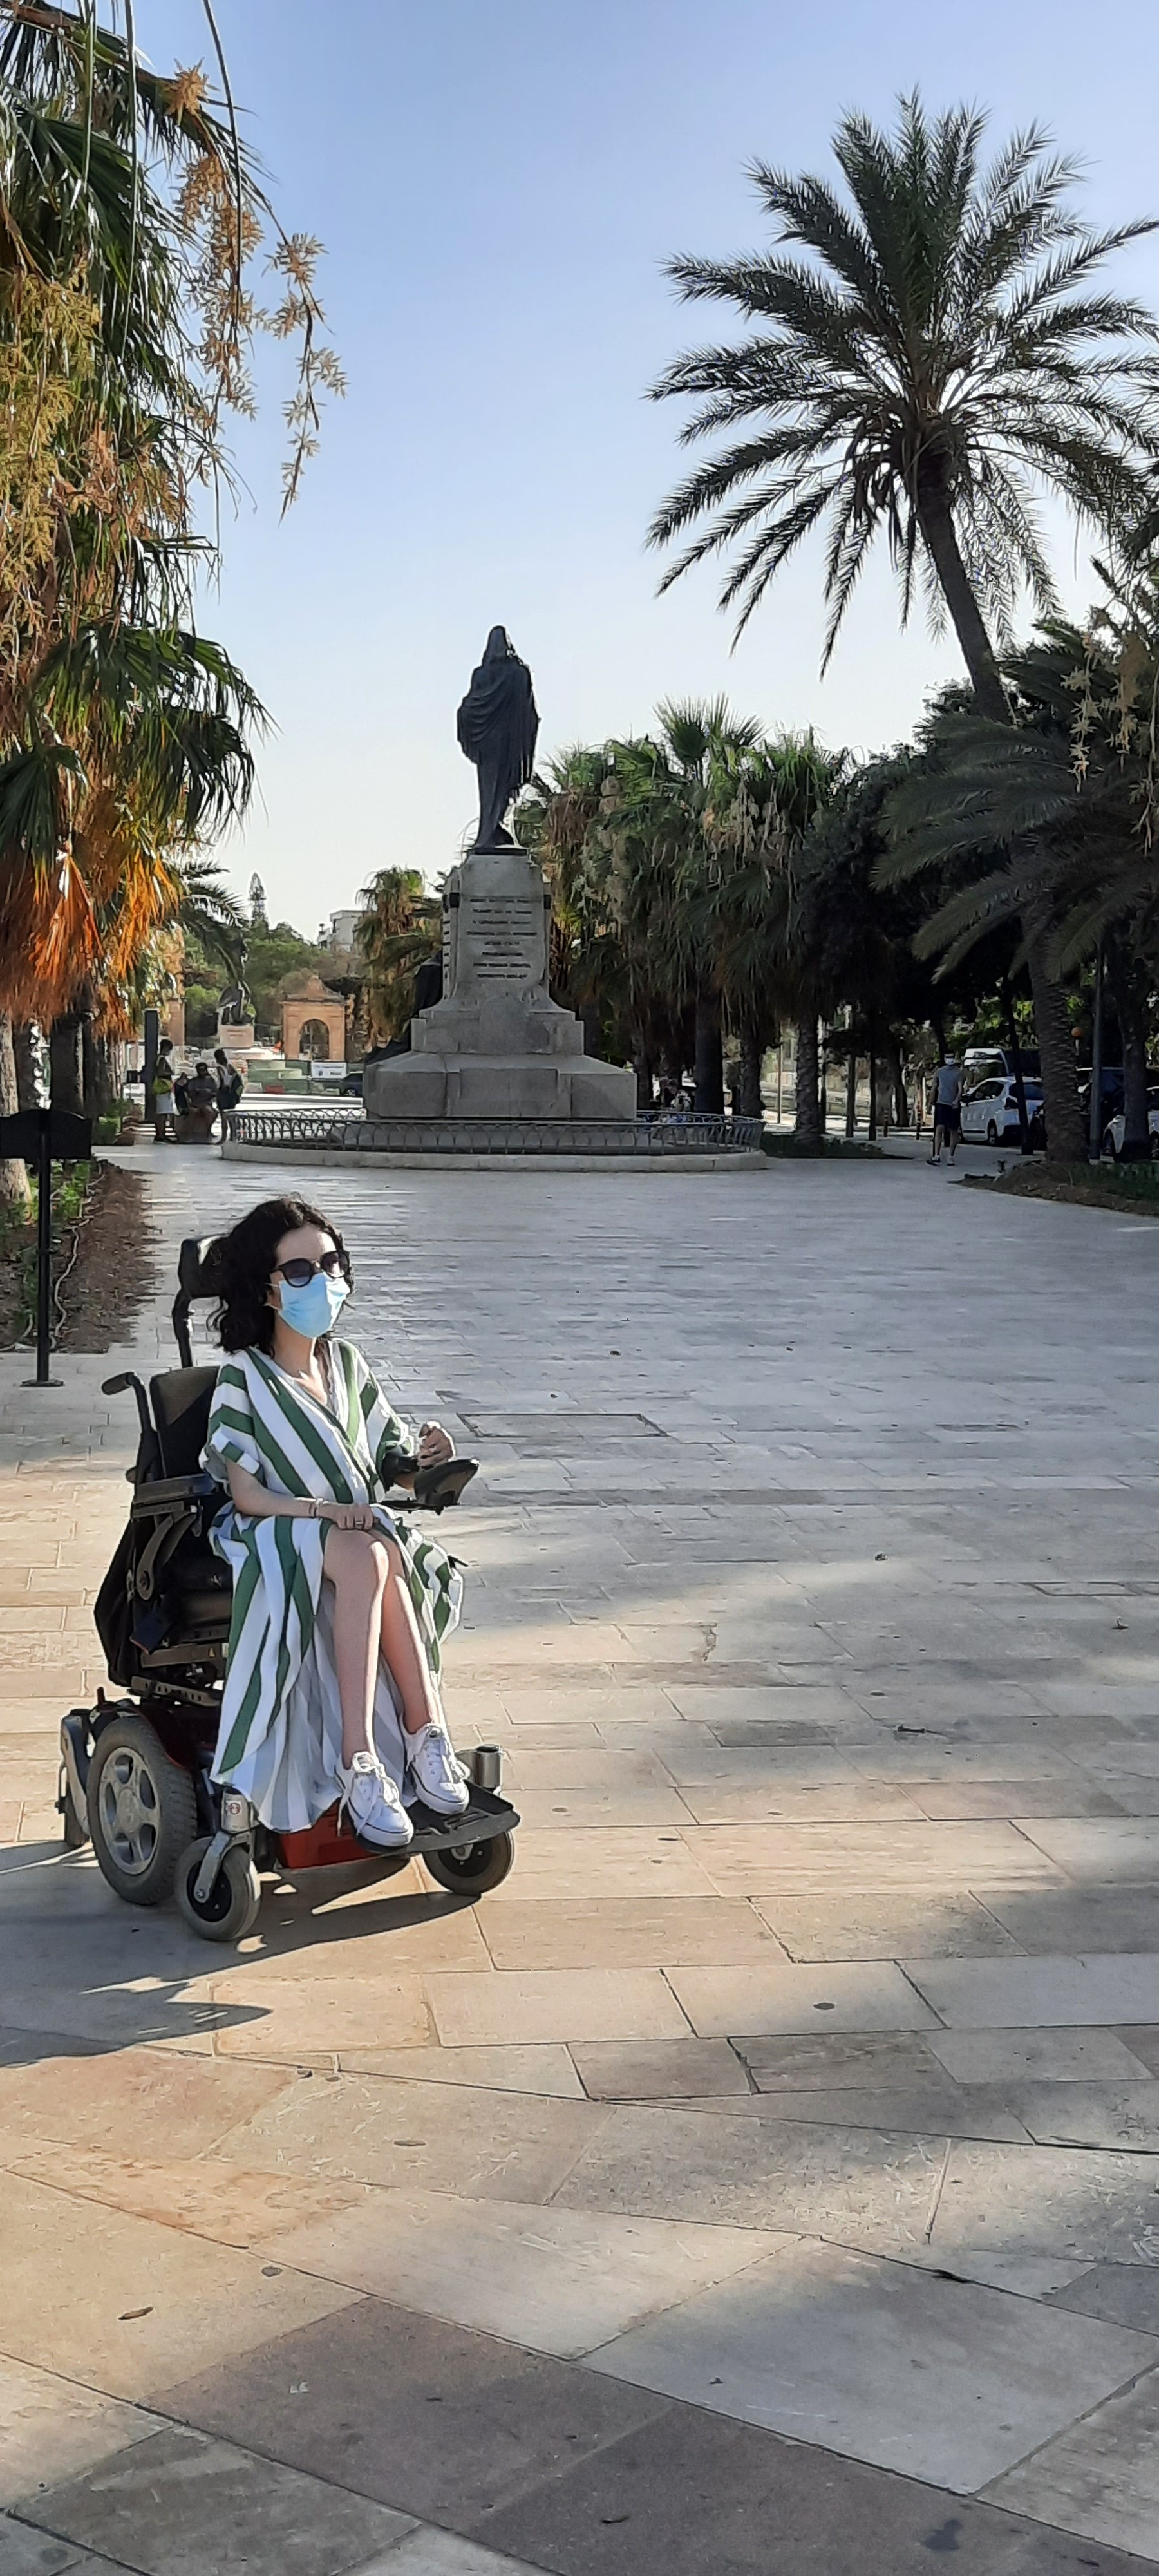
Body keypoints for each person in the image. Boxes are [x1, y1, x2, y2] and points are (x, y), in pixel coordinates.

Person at [201, 1195, 470, 1850]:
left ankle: (423, 1732)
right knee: (367, 1550)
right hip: (274, 1529)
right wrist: (325, 1512)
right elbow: (247, 1497)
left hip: (351, 1532)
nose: (321, 1281)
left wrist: (422, 1458)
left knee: (377, 1547)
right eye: (299, 1271)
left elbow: (390, 1462)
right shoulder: (243, 1376)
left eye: (330, 1264)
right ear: (264, 1290)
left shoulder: (345, 1365)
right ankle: (359, 1757)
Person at [930, 1056, 963, 1164]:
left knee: (953, 1130)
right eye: (948, 1057)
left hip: (953, 1105)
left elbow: (960, 1088)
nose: (950, 1059)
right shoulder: (939, 1072)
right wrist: (930, 1103)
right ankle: (937, 1155)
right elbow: (934, 1087)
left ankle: (951, 1156)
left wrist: (956, 1100)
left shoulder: (958, 1073)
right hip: (941, 1103)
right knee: (939, 1128)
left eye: (951, 1057)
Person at [214, 1048, 245, 1138]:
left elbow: (222, 1080)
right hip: (231, 1094)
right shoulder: (230, 1067)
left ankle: (223, 1137)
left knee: (223, 1117)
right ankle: (233, 1135)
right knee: (231, 1115)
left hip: (223, 1093)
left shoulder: (219, 1068)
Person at [153, 1039, 176, 1142]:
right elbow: (161, 1072)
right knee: (162, 1113)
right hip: (163, 1088)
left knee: (163, 1113)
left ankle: (162, 1133)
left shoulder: (159, 1059)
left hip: (162, 1089)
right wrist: (170, 1073)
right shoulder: (162, 1059)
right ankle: (161, 1134)